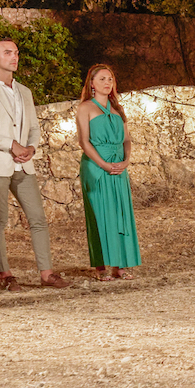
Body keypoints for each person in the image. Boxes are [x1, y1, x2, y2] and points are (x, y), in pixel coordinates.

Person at [0, 36, 67, 290]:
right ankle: (5, 275)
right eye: (8, 52)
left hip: (24, 165)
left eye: (16, 53)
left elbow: (33, 127)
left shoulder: (25, 92)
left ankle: (47, 273)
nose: (14, 57)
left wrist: (31, 147)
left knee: (38, 219)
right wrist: (10, 144)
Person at [77, 64, 142, 279]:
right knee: (100, 214)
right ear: (92, 83)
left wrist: (126, 161)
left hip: (118, 167)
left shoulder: (117, 109)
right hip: (96, 167)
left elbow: (127, 139)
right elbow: (84, 142)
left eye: (111, 79)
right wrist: (103, 165)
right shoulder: (85, 108)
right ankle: (101, 266)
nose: (108, 83)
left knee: (120, 213)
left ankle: (120, 265)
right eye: (103, 79)